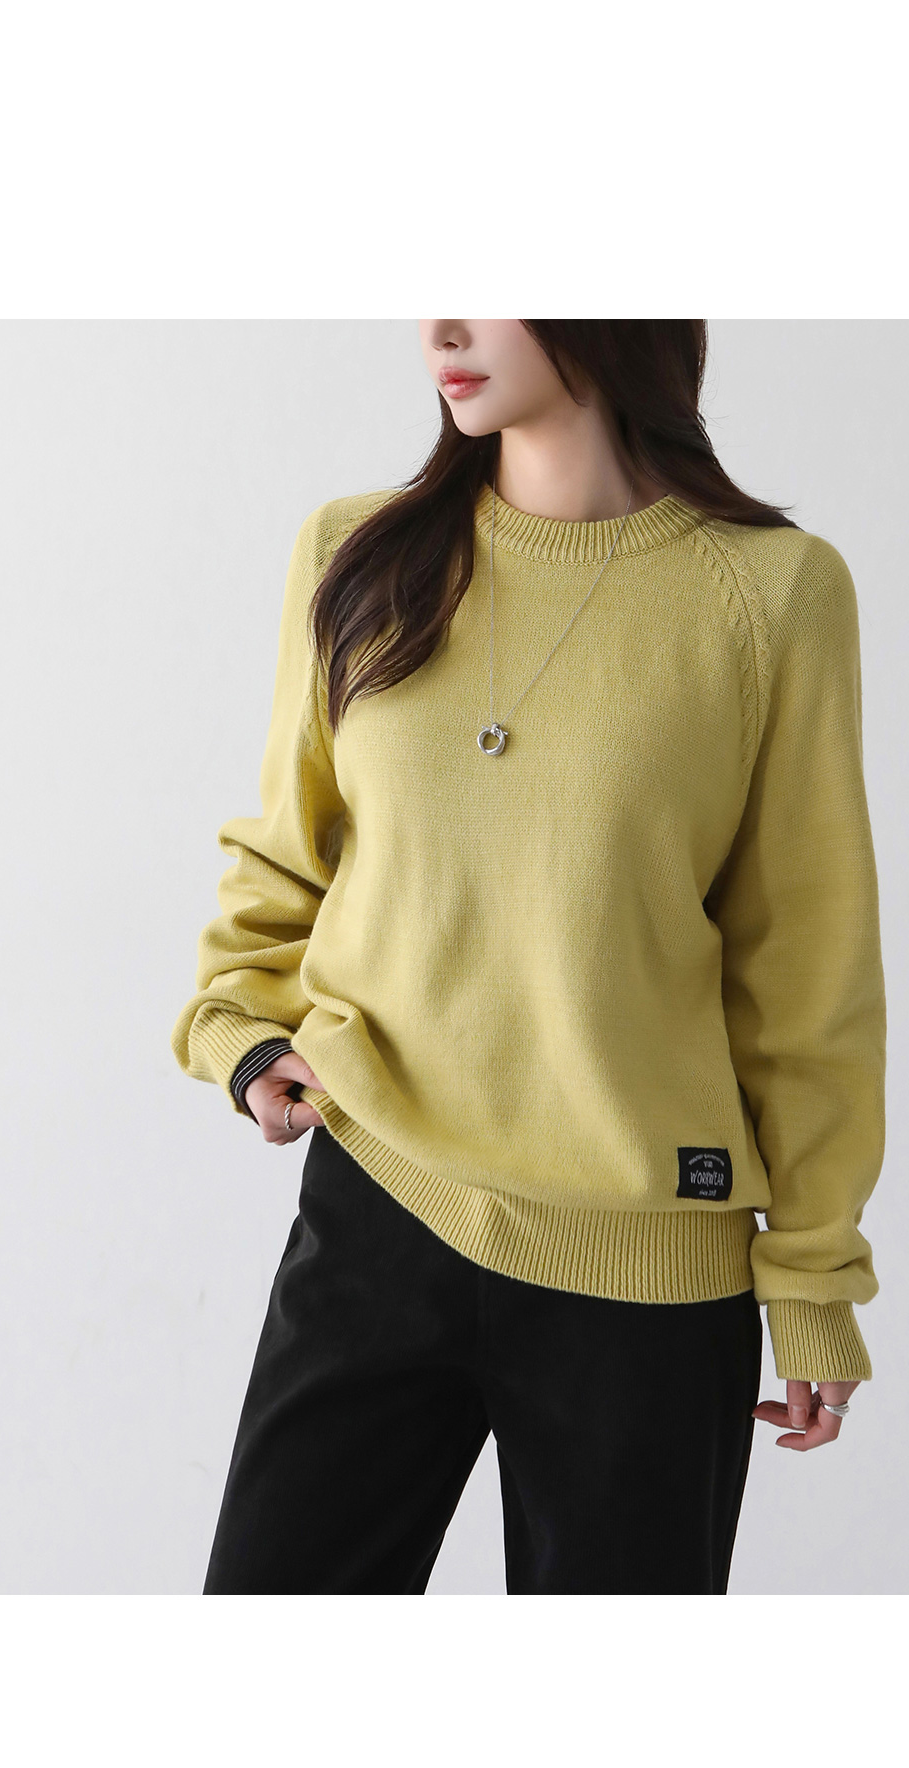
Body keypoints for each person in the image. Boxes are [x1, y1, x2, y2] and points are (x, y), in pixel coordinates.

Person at [170, 320, 886, 1594]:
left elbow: (805, 969)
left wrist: (812, 1272)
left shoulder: (772, 592)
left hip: (647, 1276)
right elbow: (287, 852)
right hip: (377, 1211)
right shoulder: (355, 552)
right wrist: (241, 1029)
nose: (441, 327)